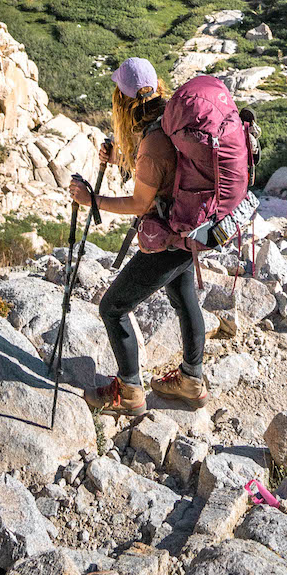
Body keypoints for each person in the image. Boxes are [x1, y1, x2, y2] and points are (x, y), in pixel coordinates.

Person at [69, 55, 208, 415]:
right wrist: (122, 158)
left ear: (124, 101)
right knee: (184, 297)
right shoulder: (169, 120)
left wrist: (91, 200)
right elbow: (163, 170)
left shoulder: (151, 146)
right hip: (192, 230)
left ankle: (129, 390)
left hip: (169, 239)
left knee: (113, 307)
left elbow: (138, 203)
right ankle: (192, 379)